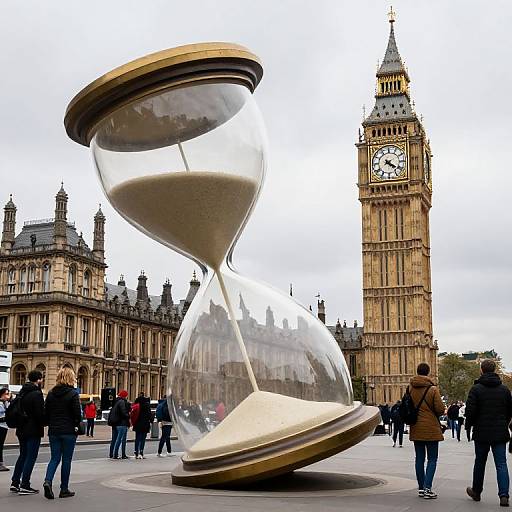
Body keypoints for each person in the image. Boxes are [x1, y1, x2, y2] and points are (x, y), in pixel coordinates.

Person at [465, 359, 512, 507]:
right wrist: (503, 423)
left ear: (482, 370)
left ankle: (477, 492)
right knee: (501, 464)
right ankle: (504, 495)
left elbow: (470, 412)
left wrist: (469, 425)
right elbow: (510, 412)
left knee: (480, 462)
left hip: (481, 432)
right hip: (500, 432)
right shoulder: (504, 390)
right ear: (495, 370)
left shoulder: (476, 389)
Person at [43, 367, 82, 499]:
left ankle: (47, 481)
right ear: (71, 378)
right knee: (66, 460)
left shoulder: (51, 393)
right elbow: (77, 414)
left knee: (54, 458)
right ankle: (64, 489)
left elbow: (46, 413)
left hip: (54, 430)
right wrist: (77, 424)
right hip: (68, 431)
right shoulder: (73, 393)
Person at [408, 362, 445, 500]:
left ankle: (421, 488)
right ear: (428, 372)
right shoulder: (432, 389)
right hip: (431, 429)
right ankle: (427, 488)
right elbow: (440, 409)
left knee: (419, 458)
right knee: (432, 459)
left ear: (417, 372)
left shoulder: (410, 388)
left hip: (416, 427)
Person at [11, 369, 45, 495]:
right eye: (41, 379)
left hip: (21, 429)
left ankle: (15, 482)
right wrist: (45, 421)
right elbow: (39, 414)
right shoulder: (36, 394)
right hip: (33, 429)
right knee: (31, 456)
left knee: (23, 455)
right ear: (38, 379)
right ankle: (25, 484)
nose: (42, 381)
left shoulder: (22, 392)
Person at [110, 390, 130, 459]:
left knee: (114, 439)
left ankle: (111, 454)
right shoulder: (122, 402)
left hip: (115, 423)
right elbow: (123, 412)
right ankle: (116, 454)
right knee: (120, 439)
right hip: (122, 423)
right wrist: (128, 415)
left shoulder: (115, 402)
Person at [132, 392, 152, 459]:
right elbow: (150, 415)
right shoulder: (147, 405)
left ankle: (136, 452)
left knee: (137, 438)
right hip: (145, 424)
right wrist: (151, 421)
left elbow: (133, 414)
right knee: (143, 439)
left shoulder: (136, 406)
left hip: (137, 424)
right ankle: (141, 452)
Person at [0, 388, 11, 471]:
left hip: (4, 426)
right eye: (6, 394)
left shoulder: (6, 403)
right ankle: (0, 463)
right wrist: (5, 418)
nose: (7, 396)